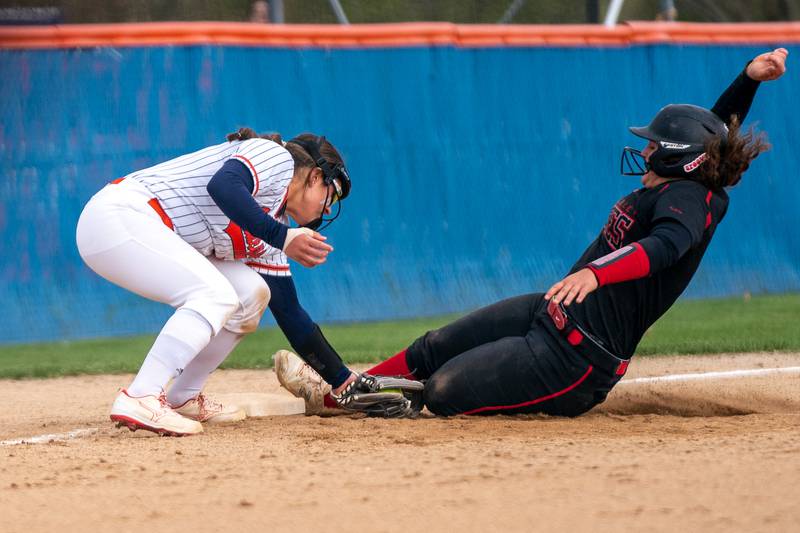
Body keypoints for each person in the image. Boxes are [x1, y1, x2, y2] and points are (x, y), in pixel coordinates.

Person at [275, 48, 788, 417]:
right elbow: (711, 132)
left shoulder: (691, 201)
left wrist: (596, 274)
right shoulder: (685, 179)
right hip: (550, 313)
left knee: (445, 390)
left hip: (578, 360)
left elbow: (661, 248)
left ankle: (376, 403)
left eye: (657, 146)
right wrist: (749, 79)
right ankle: (339, 392)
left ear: (681, 160)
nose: (648, 151)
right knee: (432, 347)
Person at [76, 128, 363, 435]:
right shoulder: (276, 158)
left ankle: (182, 397)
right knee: (215, 294)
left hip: (145, 227)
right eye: (331, 193)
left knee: (252, 294)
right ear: (315, 176)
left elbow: (291, 315)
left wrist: (344, 381)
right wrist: (283, 238)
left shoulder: (274, 227)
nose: (329, 207)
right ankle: (142, 395)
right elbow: (223, 185)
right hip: (119, 217)